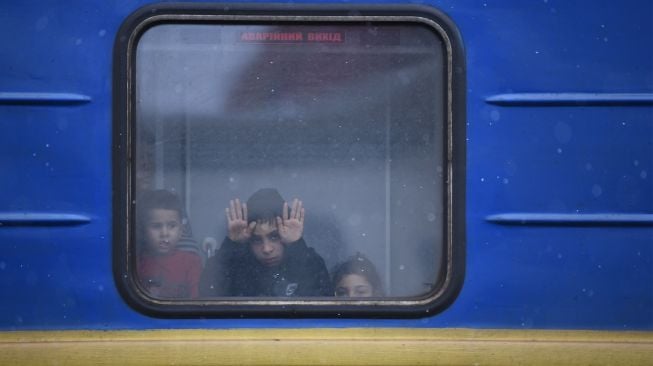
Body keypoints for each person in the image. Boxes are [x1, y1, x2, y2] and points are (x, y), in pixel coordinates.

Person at [200, 188, 332, 297]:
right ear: (248, 242)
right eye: (257, 240)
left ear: (285, 233)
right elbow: (207, 296)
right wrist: (232, 244)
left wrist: (296, 245)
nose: (267, 249)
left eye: (274, 237)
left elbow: (322, 299)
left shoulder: (307, 262)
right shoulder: (237, 267)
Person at [136, 189, 202, 298]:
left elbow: (196, 300)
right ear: (144, 231)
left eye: (172, 226)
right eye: (156, 226)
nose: (165, 233)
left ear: (181, 230)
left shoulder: (191, 262)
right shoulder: (137, 262)